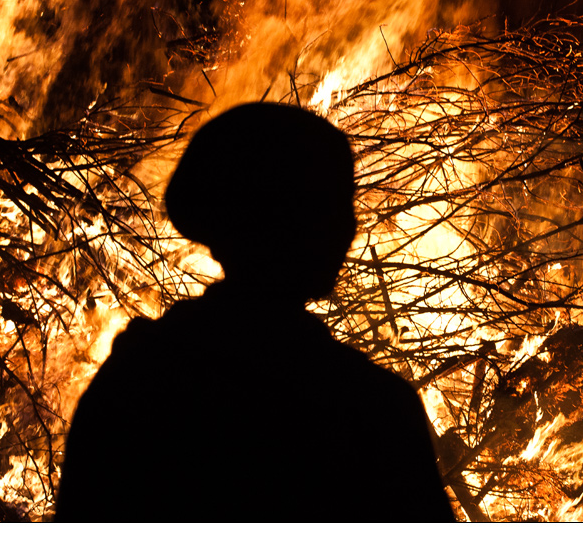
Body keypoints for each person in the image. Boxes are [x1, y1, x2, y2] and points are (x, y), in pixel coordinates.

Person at [55, 103, 455, 522]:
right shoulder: (369, 411)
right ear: (289, 224)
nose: (350, 227)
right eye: (332, 206)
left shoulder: (137, 377)